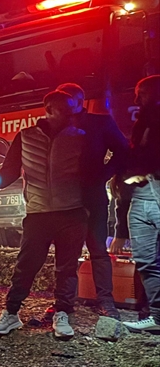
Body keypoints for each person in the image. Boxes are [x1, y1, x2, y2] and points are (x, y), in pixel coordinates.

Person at [0, 90, 87, 340]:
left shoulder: (80, 137)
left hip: (72, 212)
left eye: (71, 109)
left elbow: (91, 171)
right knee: (26, 265)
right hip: (38, 213)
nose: (70, 114)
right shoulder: (26, 136)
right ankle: (11, 314)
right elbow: (9, 170)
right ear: (49, 110)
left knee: (67, 267)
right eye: (65, 109)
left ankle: (62, 313)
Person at [55, 82, 130, 317]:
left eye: (67, 101)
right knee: (66, 252)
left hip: (91, 195)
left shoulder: (100, 123)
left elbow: (123, 150)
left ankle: (105, 302)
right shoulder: (54, 126)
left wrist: (103, 174)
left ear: (79, 101)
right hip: (64, 198)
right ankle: (63, 303)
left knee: (97, 249)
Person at [120, 75, 160, 332]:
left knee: (150, 259)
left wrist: (145, 171)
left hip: (155, 188)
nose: (137, 99)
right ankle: (156, 317)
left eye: (142, 93)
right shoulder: (143, 120)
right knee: (146, 259)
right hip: (141, 194)